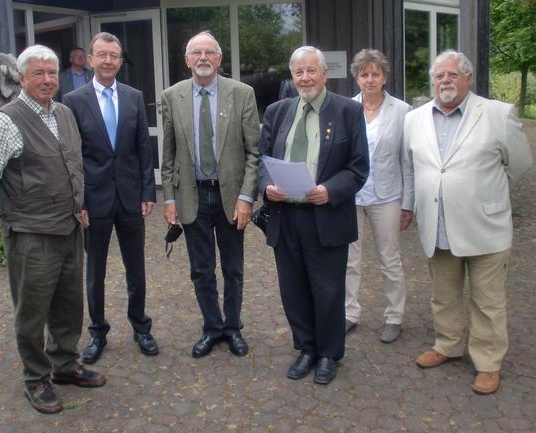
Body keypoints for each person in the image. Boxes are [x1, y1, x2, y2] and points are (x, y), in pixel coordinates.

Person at [0, 44, 105, 414]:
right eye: (38, 74)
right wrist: (11, 221)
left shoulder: (63, 113)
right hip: (31, 236)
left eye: (51, 73)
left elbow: (72, 166)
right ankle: (36, 379)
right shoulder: (5, 120)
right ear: (21, 78)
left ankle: (64, 364)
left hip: (68, 228)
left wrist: (77, 207)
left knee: (68, 304)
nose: (47, 80)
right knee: (31, 311)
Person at [403, 50, 532, 395]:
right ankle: (447, 344)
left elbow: (519, 164)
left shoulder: (497, 114)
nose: (445, 81)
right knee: (443, 295)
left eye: (452, 75)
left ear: (468, 78)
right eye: (439, 76)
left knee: (487, 300)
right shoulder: (414, 119)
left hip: (485, 226)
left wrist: (484, 194)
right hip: (438, 224)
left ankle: (488, 362)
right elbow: (413, 167)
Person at [258, 46, 369, 384]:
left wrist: (330, 190)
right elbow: (261, 159)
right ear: (292, 76)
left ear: (324, 74)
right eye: (298, 72)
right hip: (285, 216)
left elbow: (358, 167)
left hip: (326, 215)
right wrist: (267, 187)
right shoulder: (277, 112)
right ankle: (305, 348)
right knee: (293, 288)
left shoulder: (348, 111)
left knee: (328, 289)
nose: (304, 78)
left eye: (311, 71)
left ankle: (328, 354)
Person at [161, 31, 260, 358]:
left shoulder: (242, 94)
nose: (203, 58)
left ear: (219, 59)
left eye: (209, 53)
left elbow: (253, 153)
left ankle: (233, 328)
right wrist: (170, 199)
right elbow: (169, 153)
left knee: (233, 268)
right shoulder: (171, 96)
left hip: (230, 197)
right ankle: (212, 327)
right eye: (196, 53)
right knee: (201, 270)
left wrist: (247, 198)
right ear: (187, 60)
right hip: (192, 197)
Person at [63, 32, 158, 364]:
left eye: (113, 56)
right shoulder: (73, 100)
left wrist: (148, 191)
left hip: (131, 198)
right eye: (101, 55)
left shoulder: (133, 97)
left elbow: (143, 151)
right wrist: (80, 202)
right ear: (90, 59)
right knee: (96, 272)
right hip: (95, 200)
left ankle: (141, 327)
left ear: (120, 61)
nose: (107, 61)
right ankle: (97, 332)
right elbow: (72, 157)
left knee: (136, 268)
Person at [344, 49, 413, 343]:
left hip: (387, 196)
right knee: (349, 259)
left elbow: (407, 160)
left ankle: (394, 316)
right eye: (364, 74)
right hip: (353, 196)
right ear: (357, 78)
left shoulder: (402, 111)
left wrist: (408, 204)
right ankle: (348, 313)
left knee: (390, 258)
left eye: (375, 74)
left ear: (384, 77)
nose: (369, 79)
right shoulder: (346, 107)